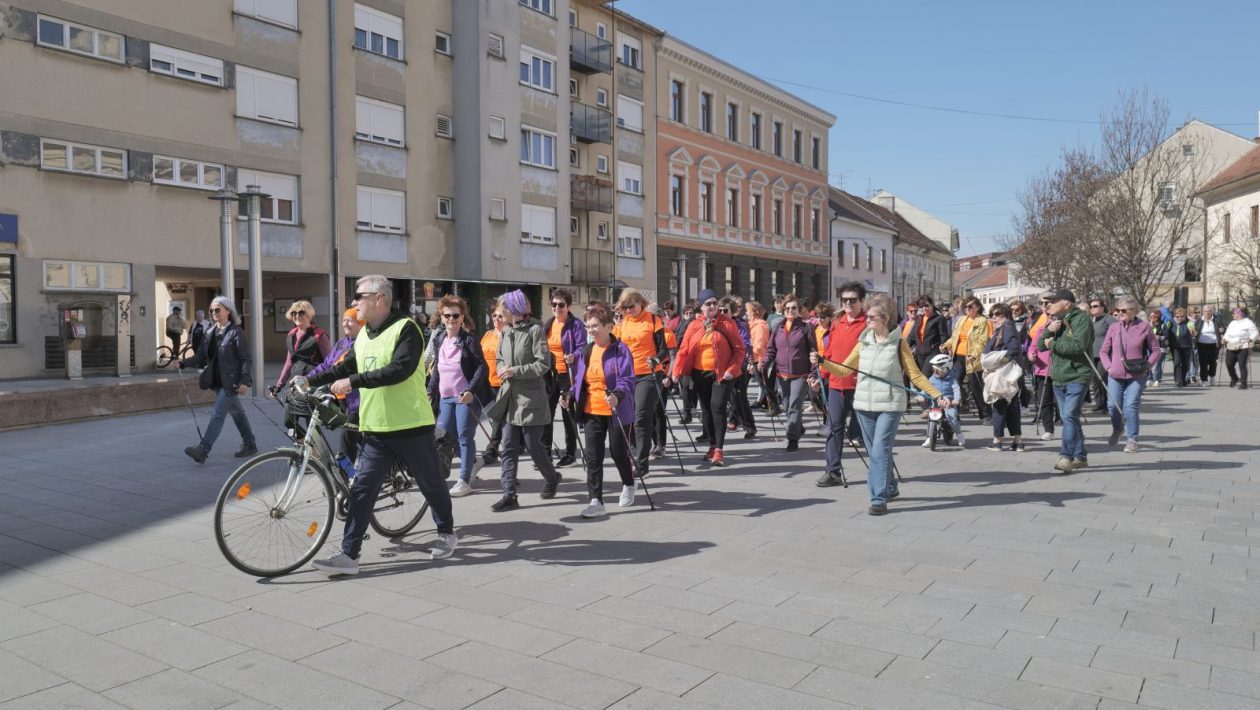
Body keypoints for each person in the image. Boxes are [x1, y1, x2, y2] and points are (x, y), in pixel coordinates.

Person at [302, 275, 457, 575]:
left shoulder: (407, 329)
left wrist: (353, 382)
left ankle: (446, 532)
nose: (354, 302)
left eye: (359, 296)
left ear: (379, 299)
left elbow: (398, 370)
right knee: (362, 488)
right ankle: (349, 555)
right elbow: (347, 365)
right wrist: (310, 379)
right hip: (376, 428)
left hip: (411, 425)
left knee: (430, 483)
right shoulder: (365, 334)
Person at [820, 294, 945, 515]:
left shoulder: (899, 344)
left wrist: (936, 394)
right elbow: (844, 370)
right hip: (864, 406)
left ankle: (878, 498)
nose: (867, 321)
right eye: (867, 317)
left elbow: (915, 375)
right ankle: (890, 486)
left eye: (871, 317)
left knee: (879, 451)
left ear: (885, 318)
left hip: (889, 405)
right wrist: (823, 362)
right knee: (875, 452)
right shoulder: (864, 341)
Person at [487, 290, 563, 511]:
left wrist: (515, 371)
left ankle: (551, 477)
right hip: (510, 398)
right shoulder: (507, 331)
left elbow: (543, 364)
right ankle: (509, 494)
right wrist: (502, 369)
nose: (500, 314)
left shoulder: (535, 330)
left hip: (531, 399)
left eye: (503, 310)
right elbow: (500, 358)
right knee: (508, 447)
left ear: (514, 310)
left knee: (533, 446)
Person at [564, 303, 637, 518]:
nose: (591, 331)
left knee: (617, 453)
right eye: (588, 327)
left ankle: (629, 484)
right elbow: (579, 380)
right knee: (593, 457)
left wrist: (617, 395)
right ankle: (595, 500)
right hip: (591, 411)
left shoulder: (621, 349)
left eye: (595, 326)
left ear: (608, 326)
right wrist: (568, 394)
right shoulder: (587, 351)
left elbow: (627, 378)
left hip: (617, 411)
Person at [174, 296, 257, 463]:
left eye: (217, 309)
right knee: (237, 412)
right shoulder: (210, 332)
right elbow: (200, 357)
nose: (213, 313)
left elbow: (246, 359)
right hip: (217, 381)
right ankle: (250, 443)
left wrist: (245, 381)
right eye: (211, 310)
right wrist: (183, 363)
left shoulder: (236, 332)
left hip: (231, 382)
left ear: (228, 311)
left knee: (218, 414)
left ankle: (203, 450)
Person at [671, 289, 745, 467]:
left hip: (722, 373)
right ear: (701, 307)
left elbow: (739, 349)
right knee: (706, 411)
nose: (712, 306)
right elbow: (684, 349)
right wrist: (676, 371)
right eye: (708, 304)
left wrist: (732, 369)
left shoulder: (727, 323)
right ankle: (712, 445)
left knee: (717, 407)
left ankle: (719, 449)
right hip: (700, 373)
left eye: (714, 303)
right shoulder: (694, 325)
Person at [428, 295, 491, 497]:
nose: (451, 319)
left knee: (464, 437)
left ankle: (464, 480)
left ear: (462, 317)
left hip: (465, 397)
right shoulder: (439, 339)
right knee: (444, 438)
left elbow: (482, 367)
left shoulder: (469, 340)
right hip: (446, 397)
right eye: (448, 315)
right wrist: (430, 391)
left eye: (456, 315)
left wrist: (471, 390)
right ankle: (472, 463)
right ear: (442, 316)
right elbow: (437, 369)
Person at [814, 282, 868, 487]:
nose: (847, 303)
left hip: (861, 384)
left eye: (852, 300)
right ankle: (832, 471)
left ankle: (882, 472)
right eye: (844, 300)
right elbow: (829, 353)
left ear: (861, 301)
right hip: (837, 384)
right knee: (834, 428)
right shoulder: (837, 323)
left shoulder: (867, 324)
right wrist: (820, 374)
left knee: (866, 431)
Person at [612, 289, 669, 481]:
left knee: (641, 417)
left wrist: (655, 359)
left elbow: (663, 349)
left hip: (649, 375)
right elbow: (615, 347)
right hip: (627, 376)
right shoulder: (622, 323)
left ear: (640, 303)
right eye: (625, 307)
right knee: (629, 417)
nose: (629, 310)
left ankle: (642, 463)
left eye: (632, 306)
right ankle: (635, 451)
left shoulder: (653, 320)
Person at [1037, 289, 1094, 474]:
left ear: (1067, 303)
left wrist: (1051, 344)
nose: (1048, 305)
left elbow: (1077, 346)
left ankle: (1066, 457)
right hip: (1058, 376)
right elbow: (1039, 346)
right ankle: (1081, 456)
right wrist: (1048, 331)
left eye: (1053, 302)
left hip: (1077, 375)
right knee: (1071, 418)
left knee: (1069, 417)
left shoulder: (1081, 319)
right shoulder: (1056, 321)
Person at [1098, 296, 1161, 453]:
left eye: (1123, 310)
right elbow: (1104, 351)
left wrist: (1148, 366)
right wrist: (1109, 368)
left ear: (1134, 311)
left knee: (1130, 405)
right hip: (1115, 374)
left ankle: (1132, 439)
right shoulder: (1114, 328)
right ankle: (1118, 429)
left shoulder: (1144, 327)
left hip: (1137, 374)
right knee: (1112, 406)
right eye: (1117, 310)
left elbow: (1155, 350)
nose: (1119, 313)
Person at [307, 307, 365, 469]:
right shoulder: (341, 343)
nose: (345, 323)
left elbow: (344, 369)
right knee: (359, 438)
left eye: (350, 320)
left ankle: (345, 480)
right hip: (341, 400)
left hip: (358, 401)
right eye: (344, 319)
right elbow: (326, 366)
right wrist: (306, 378)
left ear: (361, 323)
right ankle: (388, 465)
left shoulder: (363, 344)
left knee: (346, 443)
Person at [762, 293, 816, 451]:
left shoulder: (806, 327)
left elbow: (814, 351)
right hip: (782, 374)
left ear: (799, 310)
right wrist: (765, 362)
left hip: (801, 374)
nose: (791, 311)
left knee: (794, 406)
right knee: (787, 406)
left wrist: (812, 373)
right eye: (788, 308)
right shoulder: (778, 326)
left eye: (794, 308)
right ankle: (798, 426)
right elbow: (771, 349)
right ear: (783, 310)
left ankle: (792, 438)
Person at [542, 288, 586, 467]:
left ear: (568, 306)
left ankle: (570, 454)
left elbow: (583, 346)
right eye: (554, 304)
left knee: (568, 414)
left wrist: (573, 355)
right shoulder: (549, 323)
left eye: (561, 305)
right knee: (547, 414)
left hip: (568, 374)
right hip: (550, 374)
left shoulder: (575, 325)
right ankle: (545, 454)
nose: (557, 308)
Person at [981, 303, 1024, 452]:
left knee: (999, 405)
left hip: (1004, 373)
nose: (994, 318)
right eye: (992, 315)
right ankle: (1018, 442)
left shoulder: (1006, 328)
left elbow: (1013, 349)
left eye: (998, 314)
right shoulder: (1003, 328)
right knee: (1012, 407)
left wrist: (998, 362)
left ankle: (997, 441)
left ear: (1006, 315)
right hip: (1009, 374)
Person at [942, 297, 992, 423]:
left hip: (972, 358)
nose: (967, 309)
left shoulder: (982, 321)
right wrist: (946, 345)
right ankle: (954, 413)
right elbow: (954, 337)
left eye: (970, 306)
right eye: (965, 307)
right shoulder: (961, 319)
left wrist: (974, 355)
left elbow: (982, 341)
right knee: (955, 385)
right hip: (958, 356)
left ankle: (986, 414)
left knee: (976, 388)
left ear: (978, 307)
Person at [722, 296, 756, 438]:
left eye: (726, 310)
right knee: (730, 397)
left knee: (740, 396)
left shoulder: (740, 324)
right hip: (724, 366)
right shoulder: (718, 324)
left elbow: (745, 343)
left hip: (738, 365)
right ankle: (734, 420)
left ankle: (749, 426)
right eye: (721, 310)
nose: (723, 312)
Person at [480, 305, 508, 464]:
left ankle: (492, 448)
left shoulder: (508, 335)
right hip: (487, 381)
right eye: (494, 316)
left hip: (502, 381)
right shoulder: (488, 335)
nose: (496, 319)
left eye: (500, 316)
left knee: (497, 416)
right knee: (494, 416)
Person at [1027, 300, 1058, 440]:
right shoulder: (1041, 329)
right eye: (1049, 316)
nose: (1052, 319)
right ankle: (1048, 429)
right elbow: (1033, 347)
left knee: (1061, 402)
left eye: (1055, 316)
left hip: (1060, 370)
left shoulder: (1065, 330)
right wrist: (1031, 355)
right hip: (1042, 369)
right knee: (1045, 401)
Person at [922, 353, 964, 447]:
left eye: (938, 371)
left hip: (948, 403)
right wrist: (922, 395)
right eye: (934, 370)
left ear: (946, 369)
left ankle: (959, 434)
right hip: (936, 402)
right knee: (931, 417)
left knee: (952, 417)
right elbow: (927, 388)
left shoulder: (952, 379)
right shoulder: (932, 379)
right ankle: (929, 437)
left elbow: (956, 389)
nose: (936, 373)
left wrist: (957, 399)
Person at [905, 296, 951, 377]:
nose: (924, 308)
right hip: (920, 353)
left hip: (933, 352)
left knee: (925, 376)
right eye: (921, 306)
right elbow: (912, 336)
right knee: (915, 377)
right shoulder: (919, 319)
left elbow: (944, 335)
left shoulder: (939, 319)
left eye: (926, 305)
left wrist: (943, 346)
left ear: (932, 305)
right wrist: (904, 346)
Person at [1087, 298, 1117, 410]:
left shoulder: (1109, 320)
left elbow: (1117, 335)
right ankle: (1099, 402)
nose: (1092, 308)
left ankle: (1108, 403)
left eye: (1095, 306)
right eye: (1091, 307)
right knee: (1094, 379)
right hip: (1092, 354)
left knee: (1102, 378)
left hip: (1104, 355)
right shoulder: (1090, 320)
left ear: (1102, 307)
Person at [1224, 307, 1258, 388]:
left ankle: (1243, 383)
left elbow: (1255, 332)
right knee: (1229, 364)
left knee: (1242, 365)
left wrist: (1251, 339)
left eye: (1234, 313)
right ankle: (1234, 378)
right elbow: (1227, 332)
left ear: (1240, 314)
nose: (1232, 314)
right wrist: (1224, 339)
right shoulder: (1232, 323)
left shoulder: (1248, 322)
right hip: (1231, 345)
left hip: (1243, 346)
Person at [1166, 307, 1197, 388]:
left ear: (1185, 316)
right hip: (1175, 346)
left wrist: (1193, 331)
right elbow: (1165, 329)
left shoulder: (1188, 322)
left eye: (1182, 316)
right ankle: (1178, 381)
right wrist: (1165, 338)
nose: (1180, 318)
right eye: (1177, 316)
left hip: (1186, 345)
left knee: (1186, 364)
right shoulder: (1171, 321)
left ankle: (1183, 379)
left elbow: (1193, 330)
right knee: (1177, 362)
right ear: (1175, 315)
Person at [1195, 305, 1223, 386]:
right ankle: (1204, 380)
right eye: (1205, 311)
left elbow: (1222, 329)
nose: (1207, 313)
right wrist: (1194, 333)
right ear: (1203, 312)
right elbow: (1195, 331)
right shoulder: (1199, 320)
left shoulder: (1217, 320)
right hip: (1201, 344)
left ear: (1212, 312)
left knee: (1212, 362)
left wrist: (1222, 330)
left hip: (1214, 344)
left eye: (1209, 311)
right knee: (1203, 363)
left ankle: (1212, 376)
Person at [1146, 310, 1166, 387]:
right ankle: (1150, 378)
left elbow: (1166, 336)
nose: (1152, 318)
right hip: (1149, 347)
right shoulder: (1147, 325)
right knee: (1149, 363)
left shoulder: (1162, 325)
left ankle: (1157, 379)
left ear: (1158, 318)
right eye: (1150, 317)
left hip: (1159, 347)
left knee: (1157, 364)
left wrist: (1159, 337)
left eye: (1154, 317)